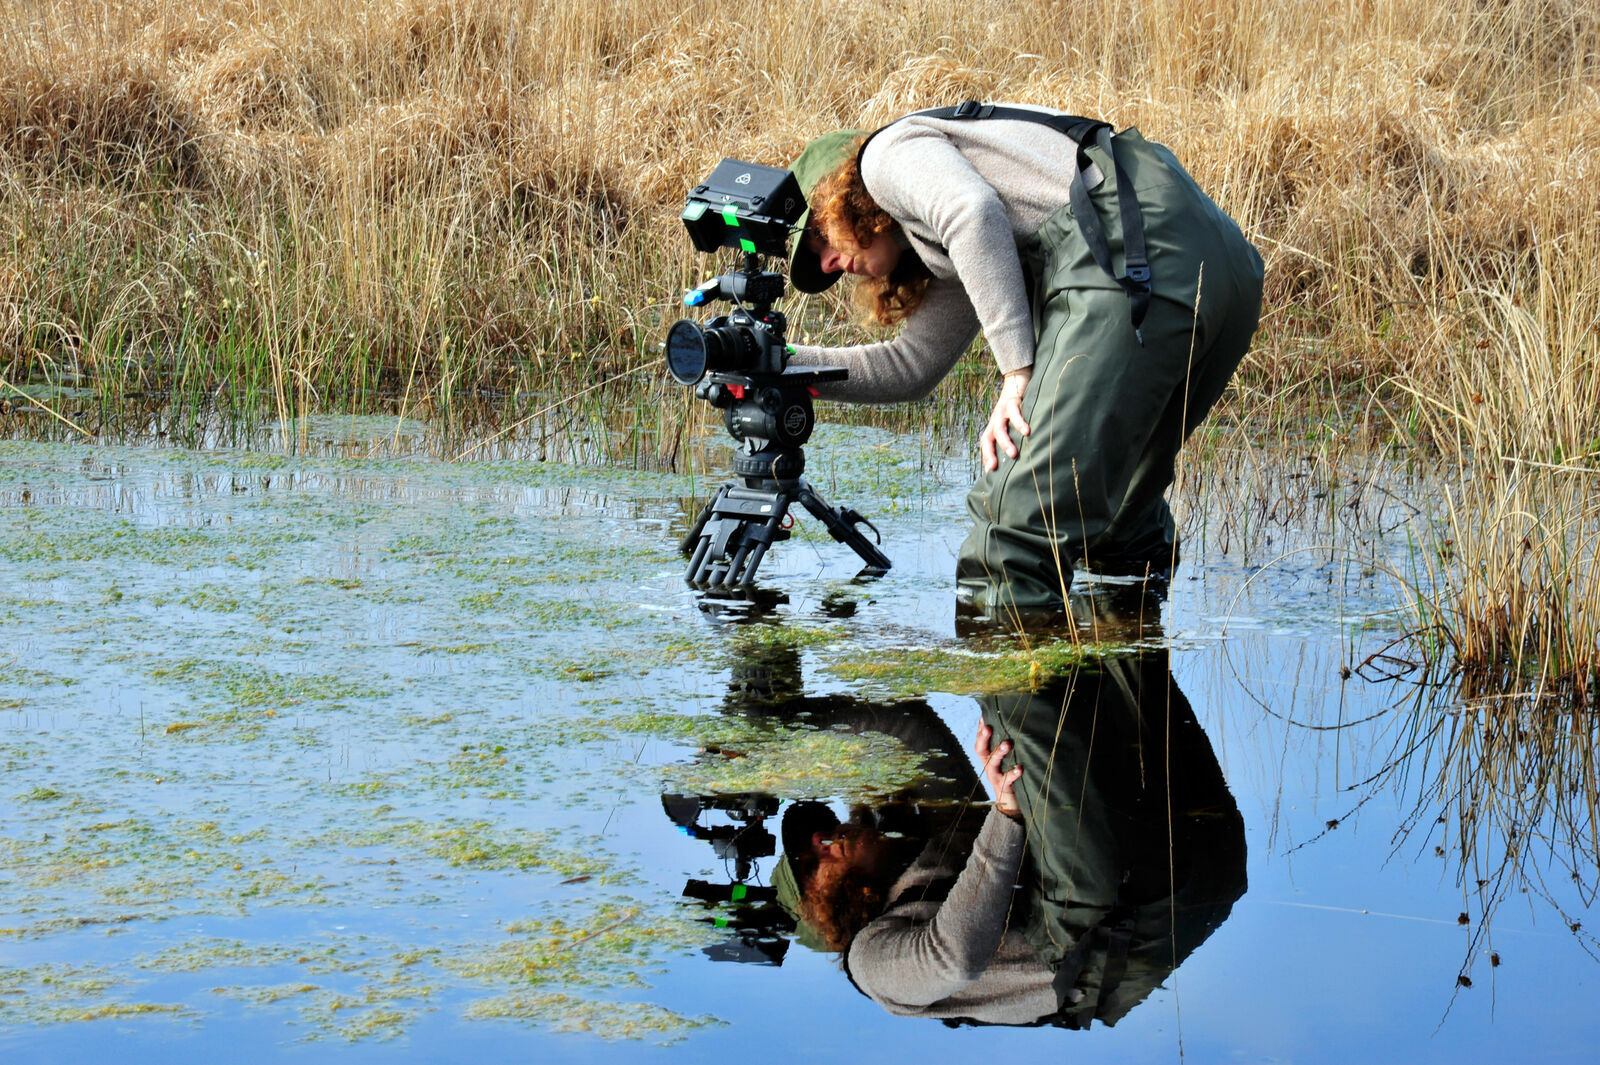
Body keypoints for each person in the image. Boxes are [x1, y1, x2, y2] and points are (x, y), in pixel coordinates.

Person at [783, 102, 1264, 616]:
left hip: (1130, 250)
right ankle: (1127, 654)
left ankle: (1009, 662)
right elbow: (911, 365)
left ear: (843, 194)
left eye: (819, 236)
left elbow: (972, 211)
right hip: (1219, 264)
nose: (828, 263)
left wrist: (1017, 372)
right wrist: (776, 363)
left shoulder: (885, 156)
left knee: (1013, 529)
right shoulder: (949, 233)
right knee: (1116, 517)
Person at [772, 649, 1247, 1028]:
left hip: (1187, 868)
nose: (820, 838)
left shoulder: (925, 850)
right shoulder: (870, 963)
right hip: (1111, 937)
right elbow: (953, 958)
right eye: (809, 862)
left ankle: (1112, 582)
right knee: (1015, 684)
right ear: (824, 907)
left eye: (814, 833)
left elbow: (910, 728)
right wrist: (1005, 814)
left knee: (1117, 643)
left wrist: (786, 725)